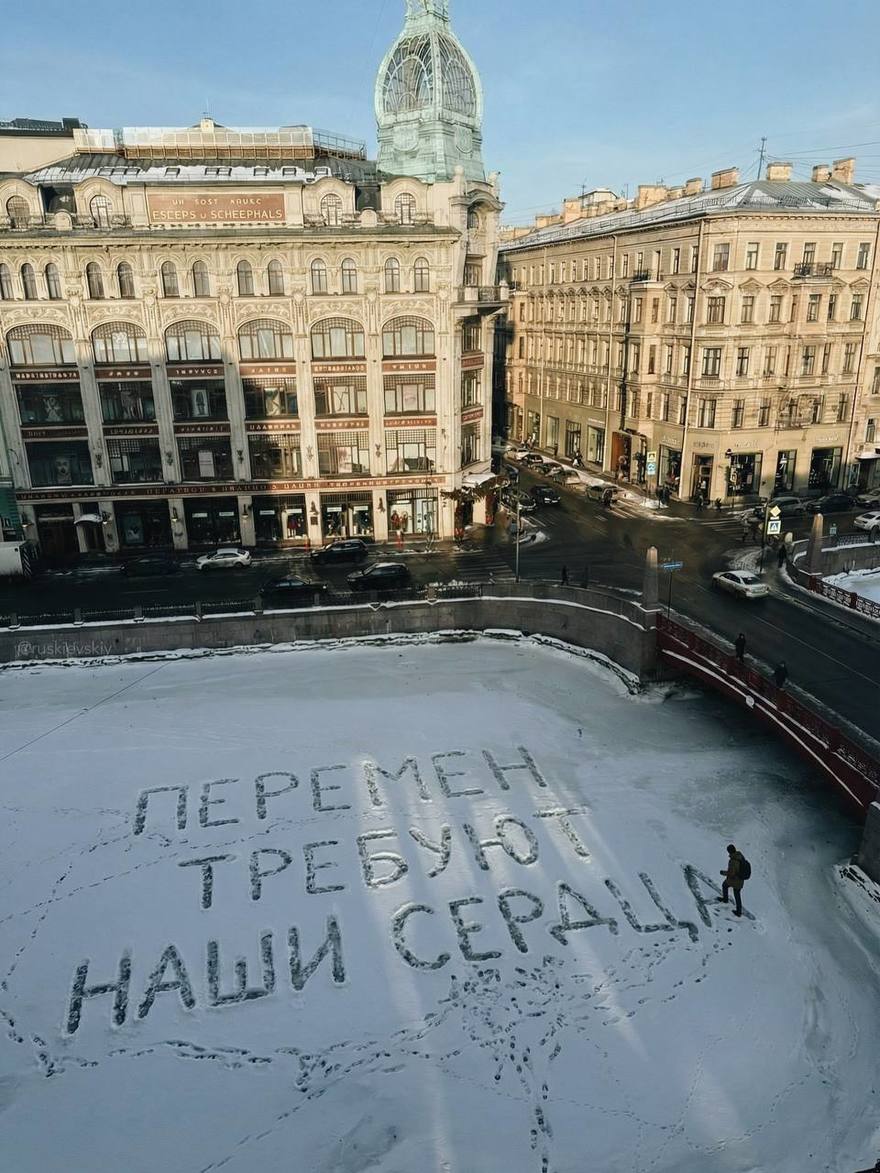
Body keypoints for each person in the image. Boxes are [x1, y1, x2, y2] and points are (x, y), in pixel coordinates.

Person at [718, 843, 746, 916]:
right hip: (740, 880)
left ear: (730, 851)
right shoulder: (740, 856)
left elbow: (731, 873)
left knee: (725, 886)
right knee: (736, 894)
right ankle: (738, 910)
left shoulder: (734, 860)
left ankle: (726, 900)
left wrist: (723, 872)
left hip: (735, 880)